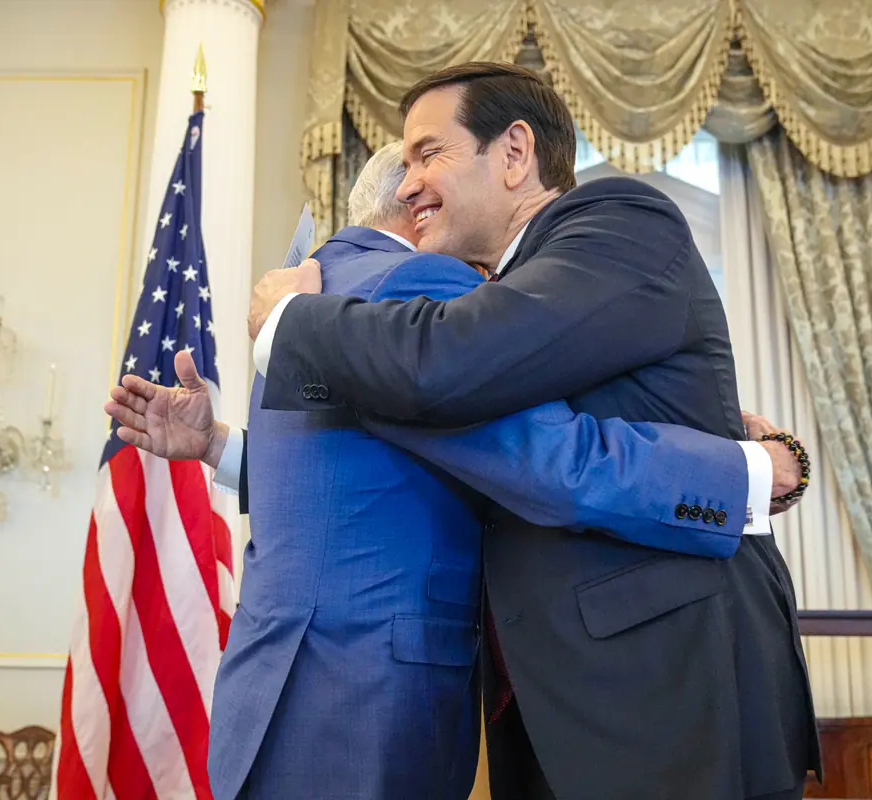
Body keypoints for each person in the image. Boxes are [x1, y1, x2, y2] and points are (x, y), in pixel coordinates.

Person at [106, 142, 806, 800]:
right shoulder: (420, 284)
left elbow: (346, 474)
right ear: (418, 207)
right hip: (368, 703)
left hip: (272, 687)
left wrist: (220, 446)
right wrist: (743, 476)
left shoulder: (312, 298)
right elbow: (545, 457)